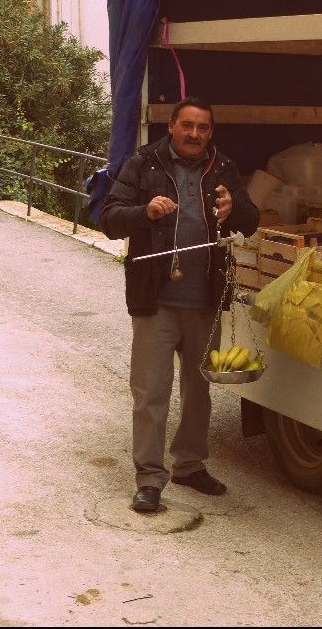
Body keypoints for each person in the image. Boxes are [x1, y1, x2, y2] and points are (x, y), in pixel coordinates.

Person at [100, 97, 259, 513]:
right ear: (171, 126)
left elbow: (252, 219)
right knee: (151, 392)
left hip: (205, 299)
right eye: (187, 125)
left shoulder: (222, 166)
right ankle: (150, 478)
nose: (194, 134)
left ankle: (189, 465)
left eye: (203, 128)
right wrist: (145, 211)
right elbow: (109, 218)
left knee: (199, 389)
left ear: (211, 132)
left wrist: (234, 208)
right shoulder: (144, 162)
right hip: (156, 299)